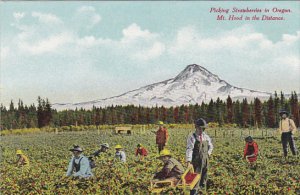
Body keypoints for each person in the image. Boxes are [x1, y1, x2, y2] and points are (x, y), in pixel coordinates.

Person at [186, 118, 213, 194]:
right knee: (195, 179)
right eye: (200, 128)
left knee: (204, 177)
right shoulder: (192, 136)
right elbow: (189, 149)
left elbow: (211, 146)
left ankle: (202, 191)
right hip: (196, 162)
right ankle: (194, 193)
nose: (201, 130)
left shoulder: (206, 136)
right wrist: (188, 161)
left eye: (203, 128)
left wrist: (208, 154)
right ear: (196, 127)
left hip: (205, 161)